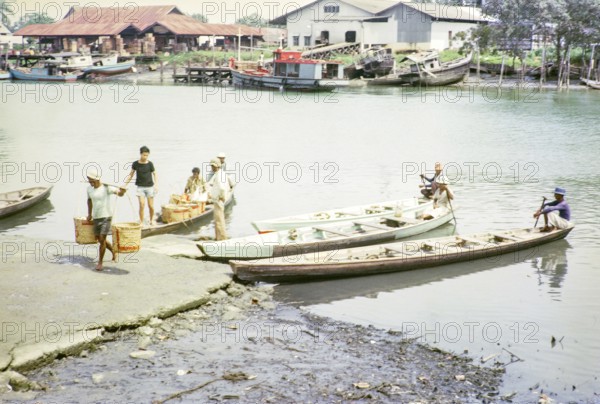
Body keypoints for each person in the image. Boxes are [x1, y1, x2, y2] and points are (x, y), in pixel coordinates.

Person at [86, 170, 127, 271]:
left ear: (97, 179)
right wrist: (89, 214)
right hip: (96, 217)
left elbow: (120, 194)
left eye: (92, 180)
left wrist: (123, 191)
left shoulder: (106, 187)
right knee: (99, 239)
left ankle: (100, 262)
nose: (90, 182)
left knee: (102, 238)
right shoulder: (89, 189)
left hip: (106, 217)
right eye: (89, 180)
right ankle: (113, 250)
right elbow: (89, 201)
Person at [124, 146, 158, 225]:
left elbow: (155, 174)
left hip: (150, 187)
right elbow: (130, 175)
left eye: (147, 155)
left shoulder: (150, 164)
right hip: (140, 187)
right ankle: (141, 222)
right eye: (144, 155)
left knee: (151, 206)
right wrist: (125, 184)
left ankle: (151, 220)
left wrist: (156, 185)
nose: (145, 157)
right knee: (142, 205)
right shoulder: (136, 164)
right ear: (140, 154)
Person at [208, 158, 229, 240]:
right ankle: (219, 237)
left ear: (216, 166)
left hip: (219, 200)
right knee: (218, 221)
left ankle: (222, 239)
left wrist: (222, 197)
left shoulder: (219, 175)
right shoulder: (220, 174)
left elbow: (222, 188)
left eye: (213, 166)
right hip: (218, 200)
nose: (212, 168)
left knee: (219, 221)